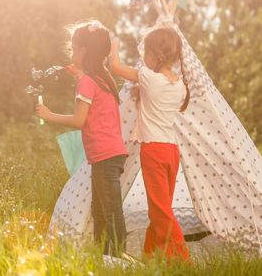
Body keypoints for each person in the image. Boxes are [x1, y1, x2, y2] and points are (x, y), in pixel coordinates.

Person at [36, 21, 128, 256]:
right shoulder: (102, 78)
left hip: (104, 156)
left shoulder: (88, 81)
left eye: (74, 48)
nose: (71, 52)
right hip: (108, 155)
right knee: (100, 211)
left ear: (84, 51)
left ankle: (117, 259)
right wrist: (80, 74)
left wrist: (49, 115)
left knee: (110, 212)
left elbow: (79, 120)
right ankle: (105, 257)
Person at [109, 26, 190, 261]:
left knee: (160, 211)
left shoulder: (148, 76)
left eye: (145, 51)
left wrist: (114, 48)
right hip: (172, 152)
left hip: (153, 151)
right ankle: (151, 256)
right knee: (161, 208)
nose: (143, 56)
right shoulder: (180, 87)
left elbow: (115, 67)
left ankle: (183, 260)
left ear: (155, 55)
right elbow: (156, 98)